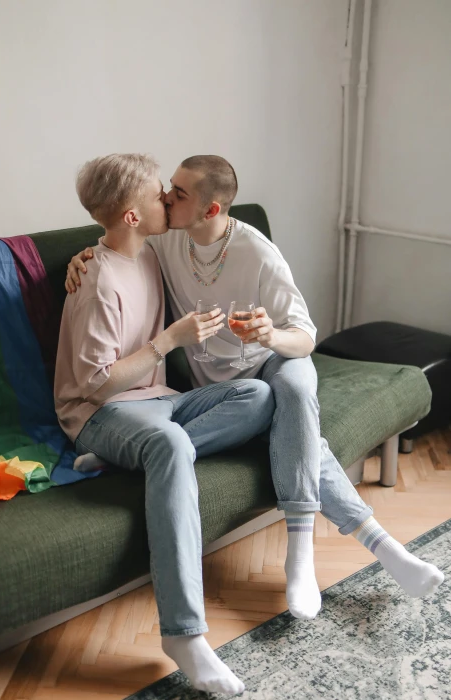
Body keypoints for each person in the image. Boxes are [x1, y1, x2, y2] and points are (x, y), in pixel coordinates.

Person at [66, 154, 444, 620]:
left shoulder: (256, 251)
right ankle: (383, 545)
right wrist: (82, 256)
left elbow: (303, 338)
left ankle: (300, 553)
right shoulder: (164, 244)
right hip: (225, 397)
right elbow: (117, 238)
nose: (165, 196)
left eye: (177, 192)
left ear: (210, 210)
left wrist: (268, 335)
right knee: (284, 421)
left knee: (295, 389)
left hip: (275, 363)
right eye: (166, 189)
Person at [55, 153, 275, 696]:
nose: (168, 201)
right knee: (170, 443)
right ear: (133, 216)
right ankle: (183, 634)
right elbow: (95, 385)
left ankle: (128, 460)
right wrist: (168, 341)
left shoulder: (152, 254)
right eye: (159, 195)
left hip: (159, 402)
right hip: (102, 414)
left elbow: (213, 242)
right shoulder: (96, 280)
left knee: (258, 394)